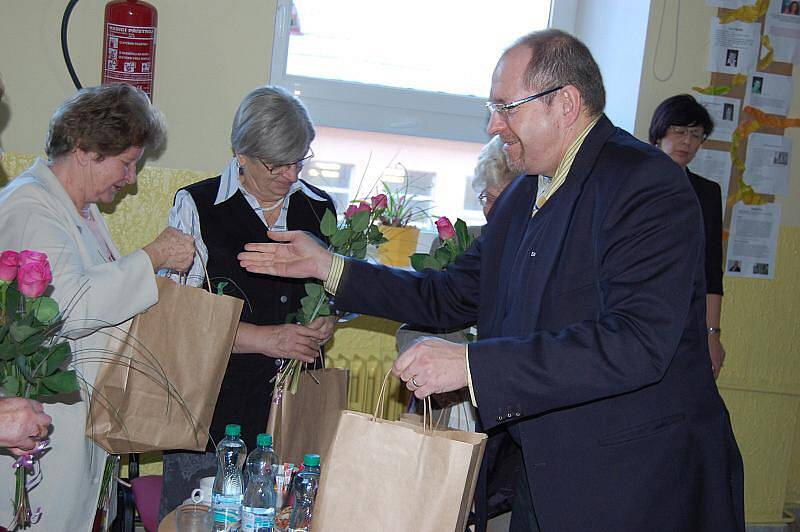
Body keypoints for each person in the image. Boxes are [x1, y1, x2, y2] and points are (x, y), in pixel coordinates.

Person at [239, 29, 745, 532]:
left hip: (635, 482)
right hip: (543, 471)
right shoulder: (525, 195)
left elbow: (636, 342)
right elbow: (448, 295)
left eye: (507, 107)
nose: (492, 125)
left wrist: (472, 365)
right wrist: (328, 266)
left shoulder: (646, 184)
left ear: (565, 103)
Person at [0, 83, 194, 530]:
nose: (131, 179)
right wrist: (153, 256)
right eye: (126, 163)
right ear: (86, 149)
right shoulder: (33, 210)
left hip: (78, 424)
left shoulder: (78, 213)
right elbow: (70, 306)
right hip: (41, 430)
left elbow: (106, 297)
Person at [158, 85, 336, 519]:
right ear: (241, 153)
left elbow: (335, 293)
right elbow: (176, 317)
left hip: (290, 408)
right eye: (277, 164)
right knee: (200, 520)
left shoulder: (320, 208)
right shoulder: (197, 205)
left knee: (279, 520)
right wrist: (264, 339)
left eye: (300, 161)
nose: (291, 176)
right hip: (211, 405)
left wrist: (328, 320)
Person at [649, 94, 727, 379]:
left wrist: (712, 334)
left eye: (696, 135)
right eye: (679, 131)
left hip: (685, 317)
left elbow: (711, 269)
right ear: (659, 133)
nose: (687, 142)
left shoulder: (707, 192)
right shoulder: (629, 181)